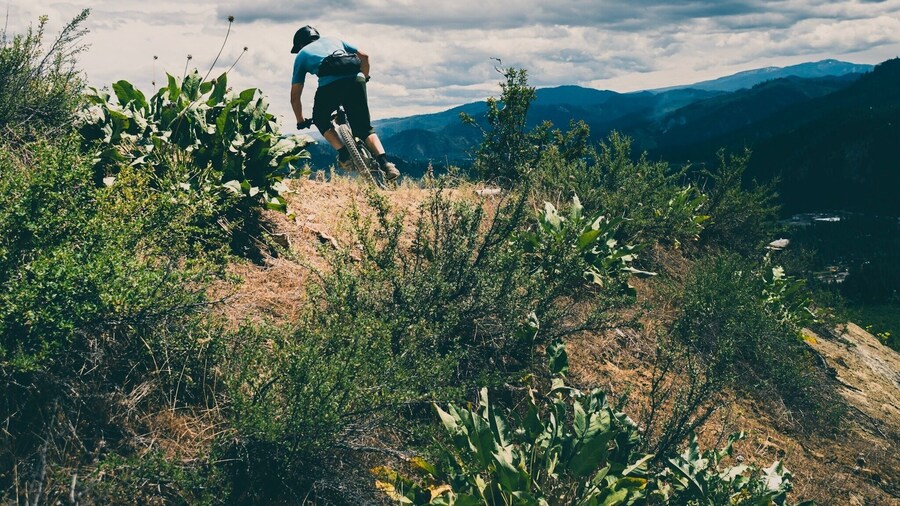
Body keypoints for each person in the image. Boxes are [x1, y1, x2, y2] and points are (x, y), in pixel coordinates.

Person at [290, 25, 400, 181]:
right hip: (356, 80)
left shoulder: (301, 55)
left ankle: (344, 154)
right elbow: (365, 56)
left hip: (330, 87)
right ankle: (386, 163)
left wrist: (300, 120)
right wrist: (365, 78)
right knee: (364, 128)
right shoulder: (334, 39)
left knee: (320, 118)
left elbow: (295, 96)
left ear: (300, 44)